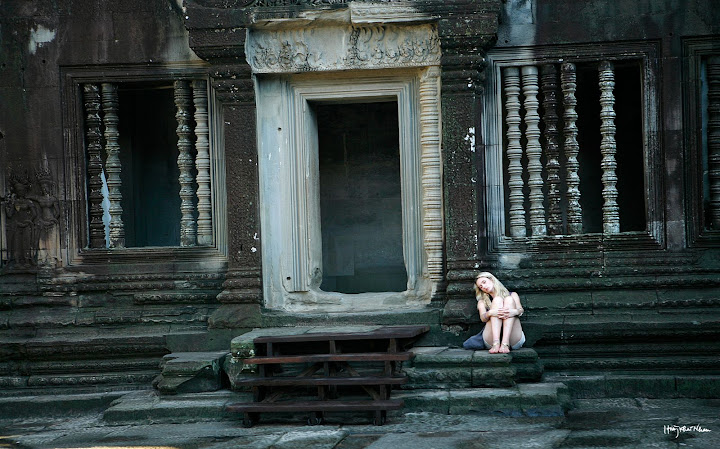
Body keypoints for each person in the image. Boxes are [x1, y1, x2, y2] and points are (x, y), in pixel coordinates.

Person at [462, 272, 525, 354]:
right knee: (497, 300)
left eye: (484, 282)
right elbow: (483, 318)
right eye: (481, 287)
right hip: (491, 339)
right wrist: (491, 312)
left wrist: (514, 311)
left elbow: (521, 310)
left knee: (509, 299)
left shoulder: (513, 295)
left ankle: (505, 343)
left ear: (491, 279)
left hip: (513, 337)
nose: (484, 287)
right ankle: (496, 343)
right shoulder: (482, 301)